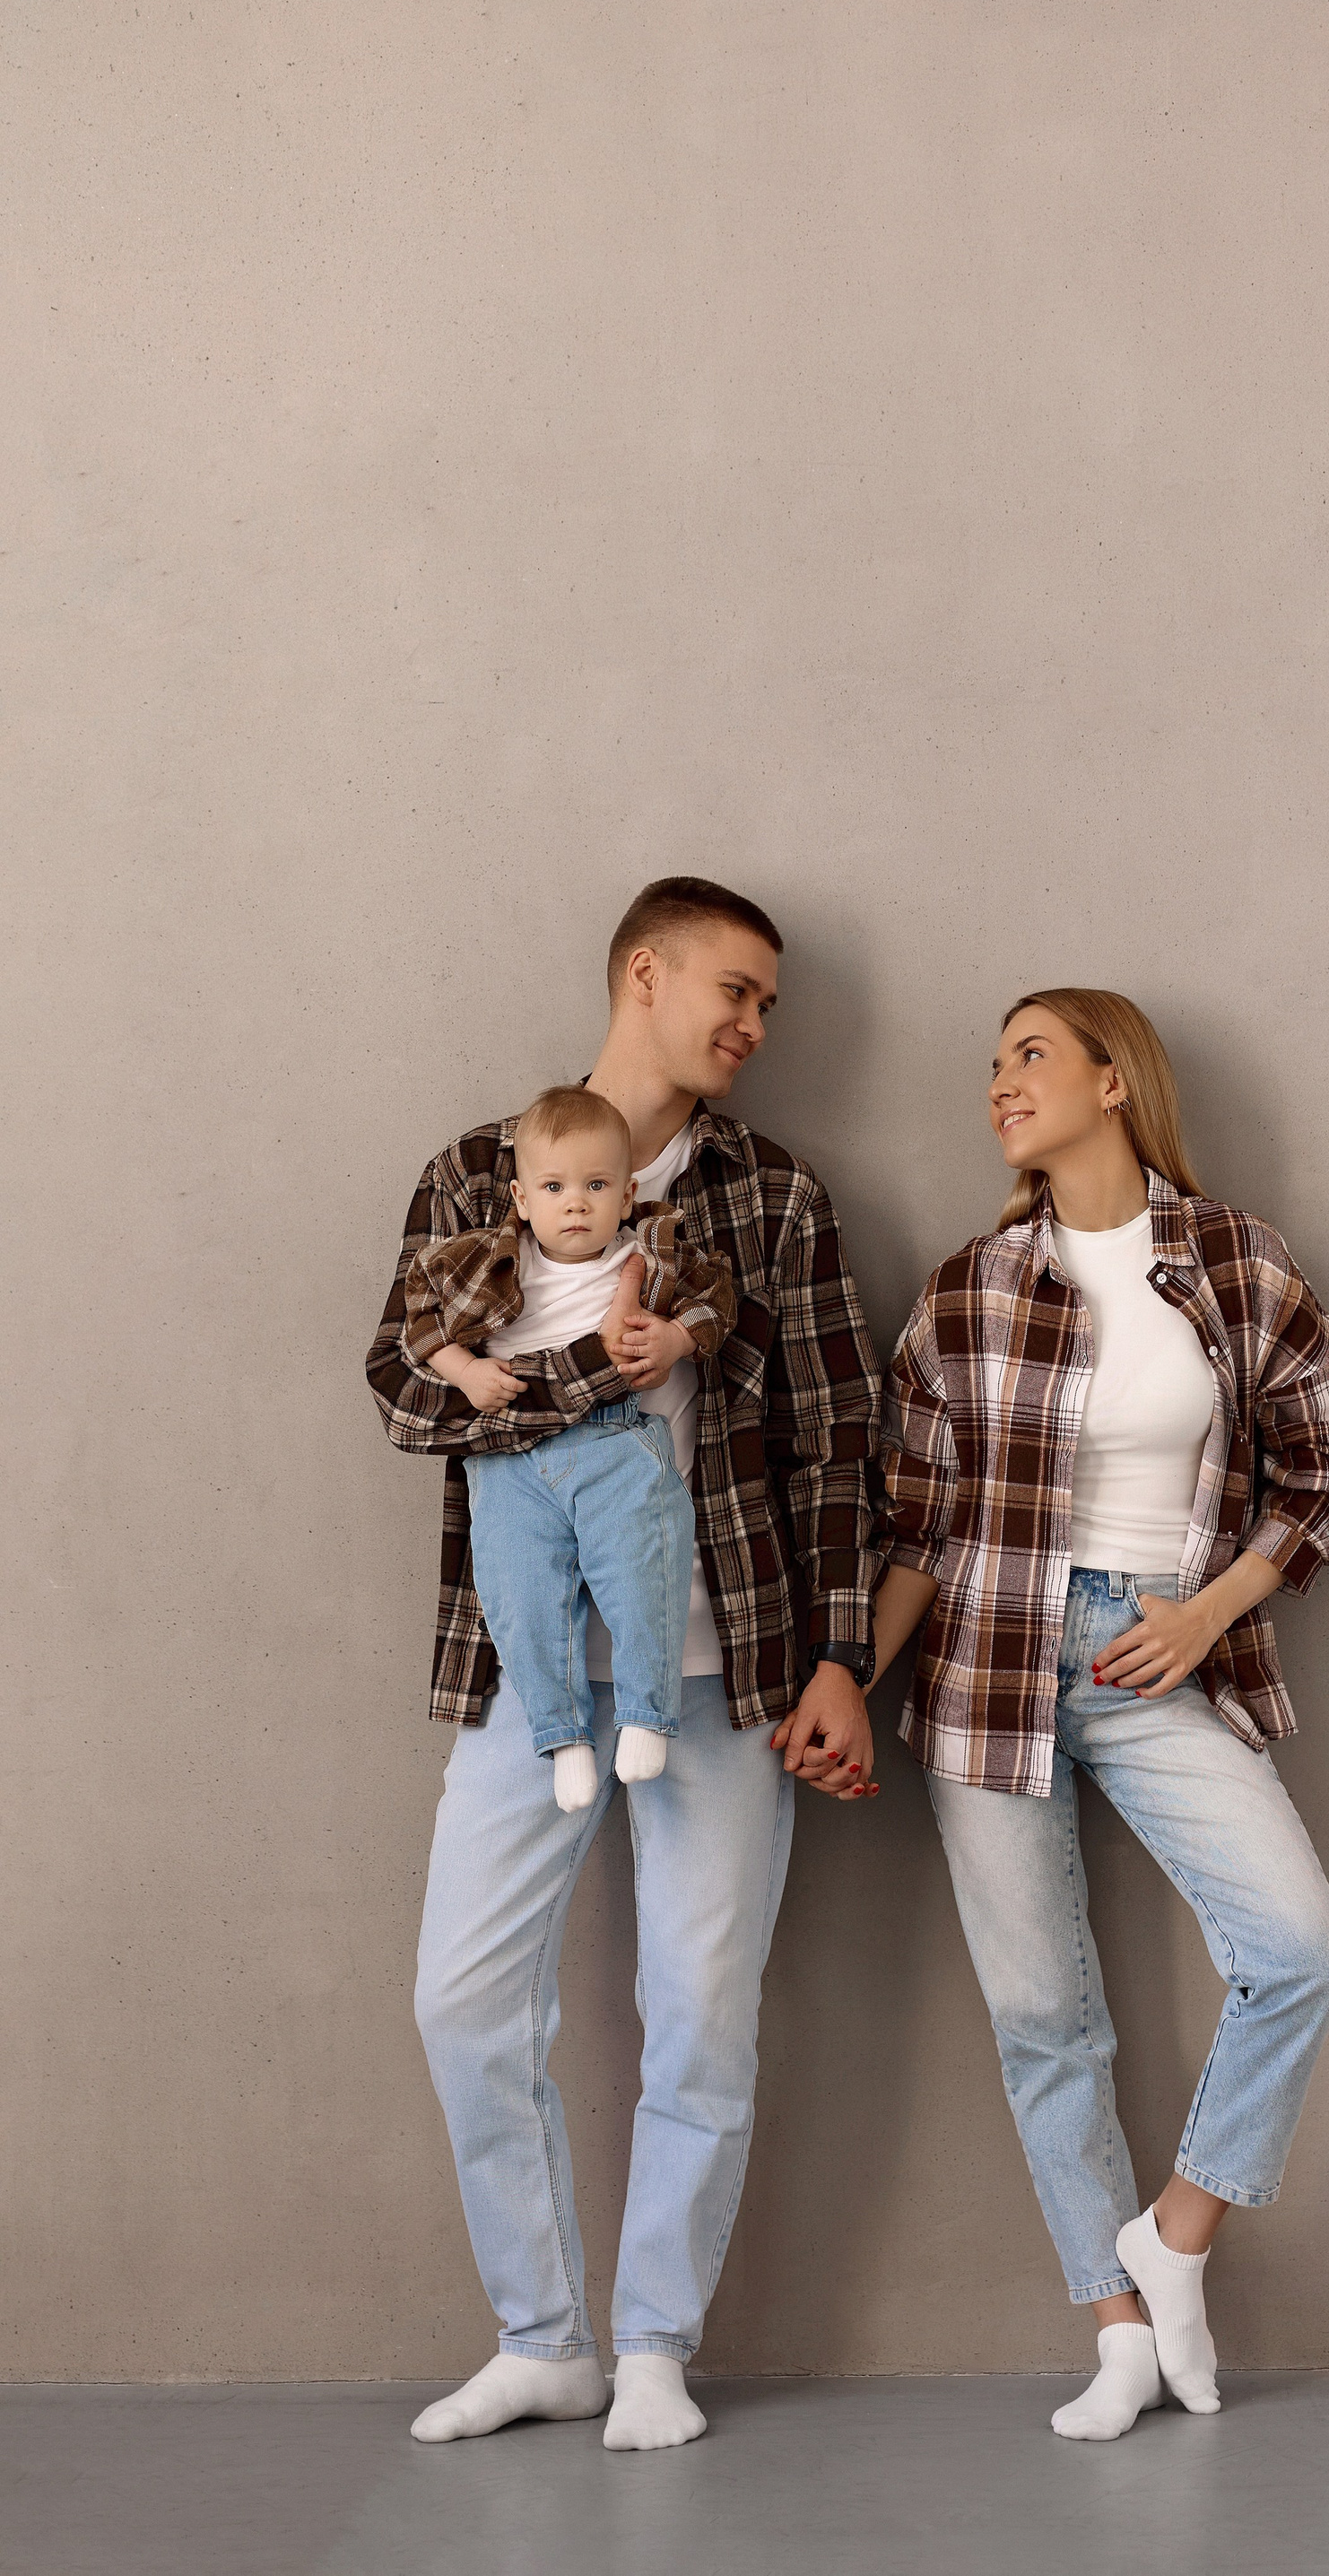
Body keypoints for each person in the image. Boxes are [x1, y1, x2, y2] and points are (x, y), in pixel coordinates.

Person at [365, 878, 883, 2453]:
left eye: (772, 1005)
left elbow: (837, 1440)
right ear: (645, 973)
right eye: (737, 989)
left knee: (701, 2014)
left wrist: (841, 1654)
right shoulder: (476, 1172)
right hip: (521, 1674)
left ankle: (653, 2345)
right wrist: (601, 1365)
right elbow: (405, 1395)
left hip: (726, 1675)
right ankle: (544, 2341)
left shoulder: (774, 1194)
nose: (755, 1023)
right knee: (465, 2003)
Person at [870, 987, 1329, 2442]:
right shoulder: (965, 1289)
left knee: (1298, 1951)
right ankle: (1118, 2336)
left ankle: (1173, 2235)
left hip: (1158, 1651)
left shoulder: (1234, 1260)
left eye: (1030, 1053)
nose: (1000, 1081)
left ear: (1114, 1079)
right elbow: (916, 1528)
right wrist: (849, 1680)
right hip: (984, 1663)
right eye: (990, 1064)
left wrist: (1212, 1611)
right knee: (1043, 2017)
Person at [406, 1080, 737, 1806]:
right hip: (510, 1465)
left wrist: (676, 1338)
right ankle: (562, 1736)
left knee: (644, 1572)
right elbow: (420, 1327)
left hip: (614, 1443)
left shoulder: (645, 1254)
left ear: (628, 1194)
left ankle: (647, 1715)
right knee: (519, 1597)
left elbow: (719, 1301)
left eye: (596, 1185)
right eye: (555, 1187)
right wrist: (467, 1372)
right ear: (522, 1199)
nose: (577, 1204)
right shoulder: (490, 1261)